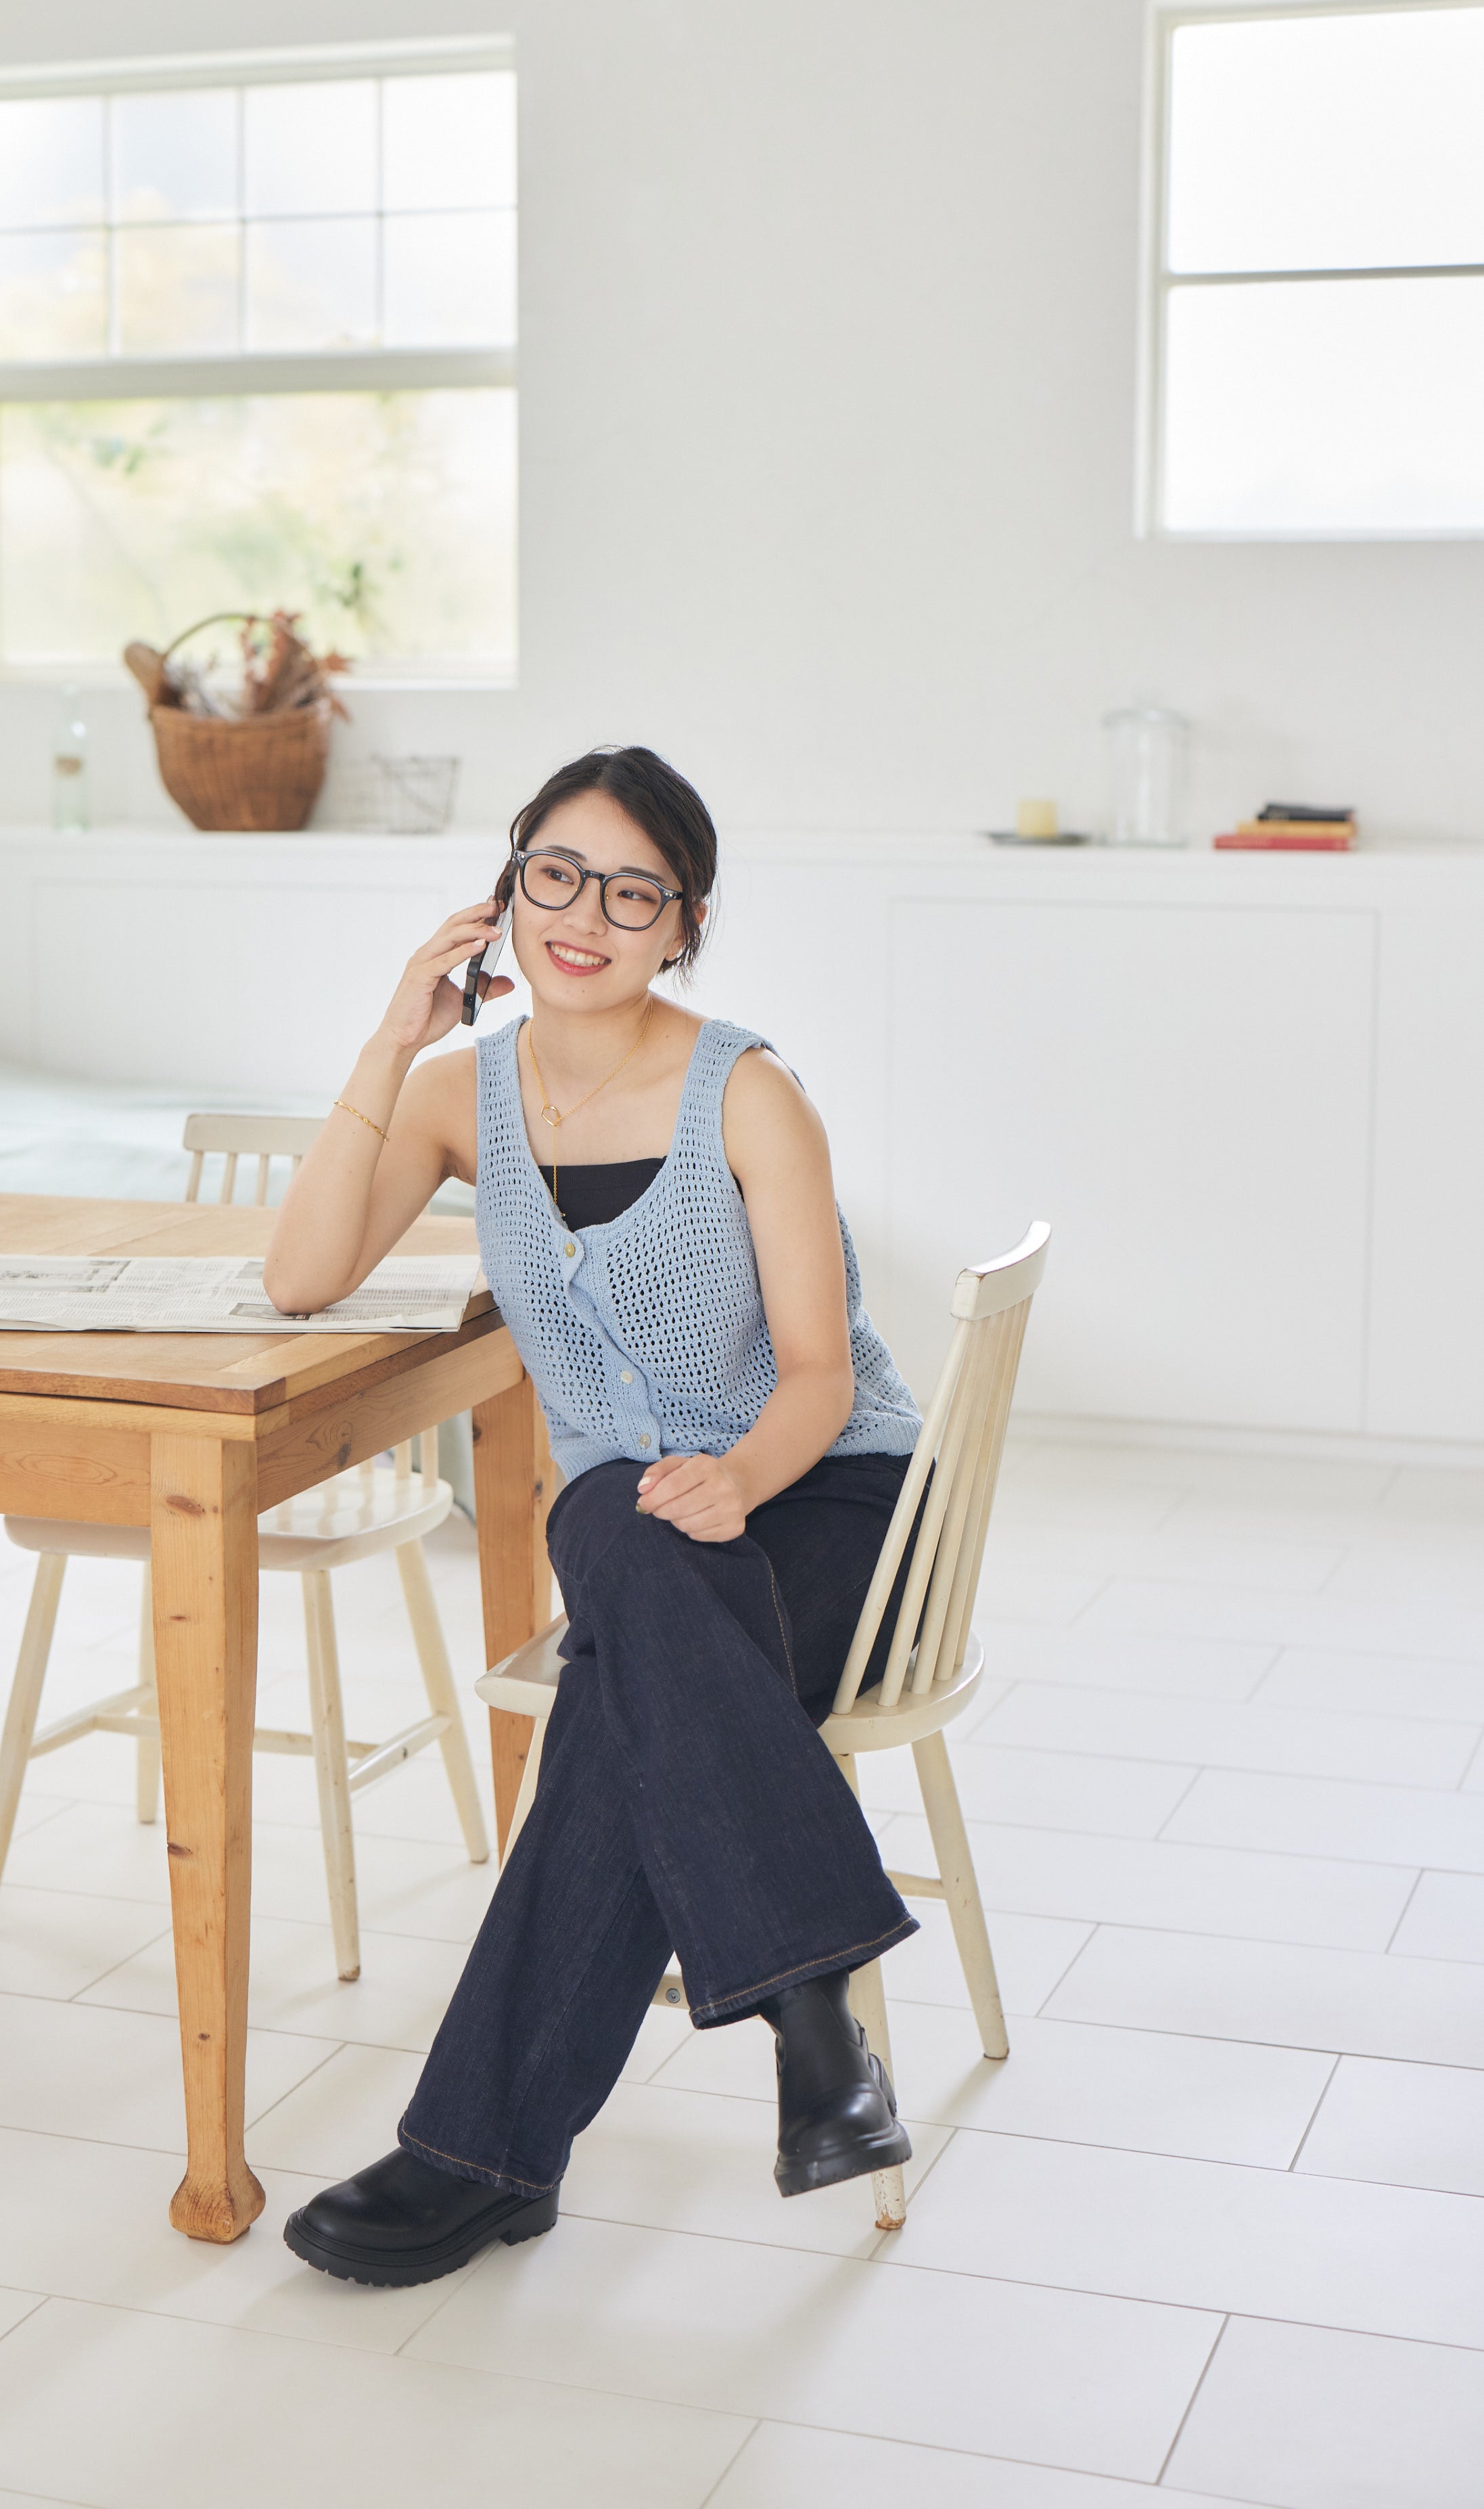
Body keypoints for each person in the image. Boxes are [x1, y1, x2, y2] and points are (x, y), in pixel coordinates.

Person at [263, 745, 924, 2289]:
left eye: (634, 893)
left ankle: (476, 2161)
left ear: (681, 926)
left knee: (622, 1713)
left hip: (819, 1491)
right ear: (506, 894)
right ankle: (814, 2009)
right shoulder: (457, 1093)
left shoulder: (749, 1094)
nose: (586, 916)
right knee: (626, 1528)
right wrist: (389, 1037)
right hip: (633, 1511)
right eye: (554, 874)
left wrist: (747, 1476)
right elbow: (300, 1277)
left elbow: (824, 1376)